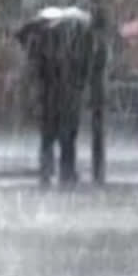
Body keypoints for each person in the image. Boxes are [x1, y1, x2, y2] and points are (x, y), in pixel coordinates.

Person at [19, 20, 93, 185]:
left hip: (52, 103)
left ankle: (50, 169)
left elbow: (36, 78)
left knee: (50, 137)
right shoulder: (69, 54)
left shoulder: (42, 53)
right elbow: (76, 77)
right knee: (64, 137)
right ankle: (64, 170)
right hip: (62, 102)